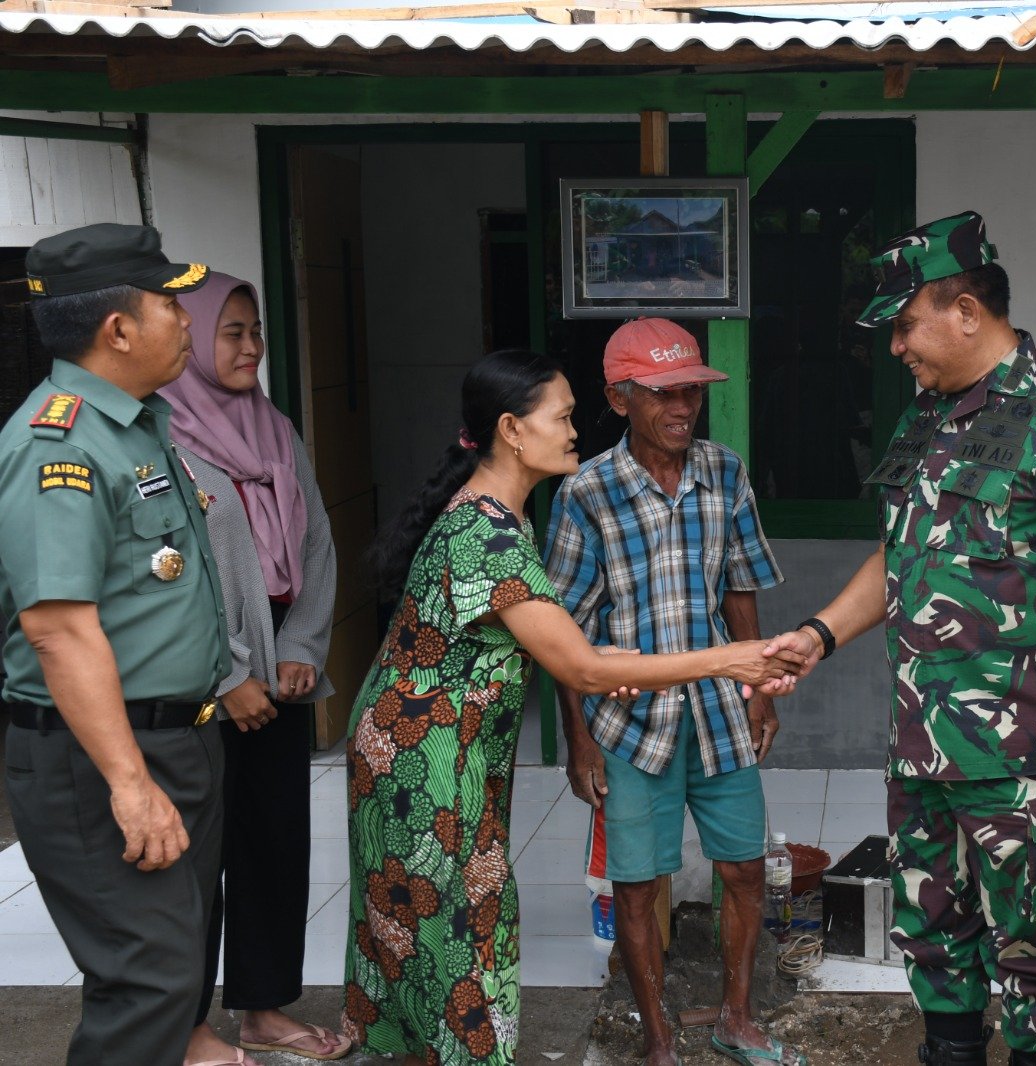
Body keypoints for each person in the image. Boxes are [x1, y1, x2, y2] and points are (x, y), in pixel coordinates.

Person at [340, 349, 806, 1066]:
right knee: (456, 928)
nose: (572, 431)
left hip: (434, 747)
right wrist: (727, 660)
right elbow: (579, 663)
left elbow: (570, 646)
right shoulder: (487, 536)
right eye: (559, 417)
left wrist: (615, 667)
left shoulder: (503, 516)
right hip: (422, 758)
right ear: (511, 430)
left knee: (427, 925)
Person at [760, 211, 1036, 1066]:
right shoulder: (925, 420)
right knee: (934, 940)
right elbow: (901, 552)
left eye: (906, 325)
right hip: (921, 745)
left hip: (1022, 757)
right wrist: (820, 634)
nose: (897, 347)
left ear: (966, 311)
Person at [544, 318, 802, 1066]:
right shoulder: (586, 492)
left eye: (689, 388)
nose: (681, 405)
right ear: (619, 398)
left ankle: (736, 1017)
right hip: (627, 723)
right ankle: (658, 1040)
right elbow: (564, 632)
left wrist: (763, 693)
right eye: (661, 392)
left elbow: (741, 586)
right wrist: (579, 739)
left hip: (721, 712)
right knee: (636, 883)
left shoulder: (724, 471)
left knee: (745, 867)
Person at [0, 223, 228, 1064]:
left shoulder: (135, 424)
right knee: (149, 980)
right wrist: (129, 784)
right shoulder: (56, 445)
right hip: (100, 756)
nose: (185, 318)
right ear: (118, 329)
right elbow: (58, 630)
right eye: (170, 301)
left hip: (175, 737)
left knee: (177, 966)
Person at [161, 274, 350, 1064]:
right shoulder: (159, 438)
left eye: (256, 330)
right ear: (195, 338)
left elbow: (316, 541)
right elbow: (169, 577)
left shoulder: (273, 427)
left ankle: (264, 1007)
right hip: (203, 667)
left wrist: (302, 647)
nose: (249, 347)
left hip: (281, 655)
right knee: (199, 854)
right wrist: (231, 672)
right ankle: (183, 1023)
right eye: (230, 332)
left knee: (275, 838)